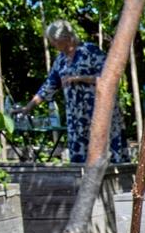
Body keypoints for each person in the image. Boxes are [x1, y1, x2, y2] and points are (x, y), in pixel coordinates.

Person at [16, 20, 128, 164]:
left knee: (105, 151)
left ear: (66, 39)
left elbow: (109, 77)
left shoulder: (89, 51)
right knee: (81, 155)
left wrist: (79, 78)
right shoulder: (60, 60)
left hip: (100, 112)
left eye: (55, 42)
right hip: (76, 118)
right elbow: (49, 86)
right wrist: (29, 107)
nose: (53, 45)